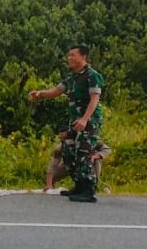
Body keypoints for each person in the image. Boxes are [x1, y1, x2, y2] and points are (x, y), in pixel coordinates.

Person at [29, 44, 105, 203]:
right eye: (68, 55)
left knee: (84, 153)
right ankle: (78, 185)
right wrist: (40, 94)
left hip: (88, 121)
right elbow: (57, 91)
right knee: (69, 152)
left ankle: (88, 189)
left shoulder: (92, 75)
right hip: (74, 121)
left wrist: (85, 119)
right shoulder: (72, 77)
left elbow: (94, 100)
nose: (69, 58)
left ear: (83, 56)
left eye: (72, 55)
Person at [44, 132, 111, 193]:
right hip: (72, 164)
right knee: (53, 176)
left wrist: (95, 156)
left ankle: (91, 185)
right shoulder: (62, 146)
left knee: (95, 161)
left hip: (88, 163)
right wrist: (49, 184)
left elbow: (107, 149)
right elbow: (53, 164)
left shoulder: (91, 140)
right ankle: (77, 187)